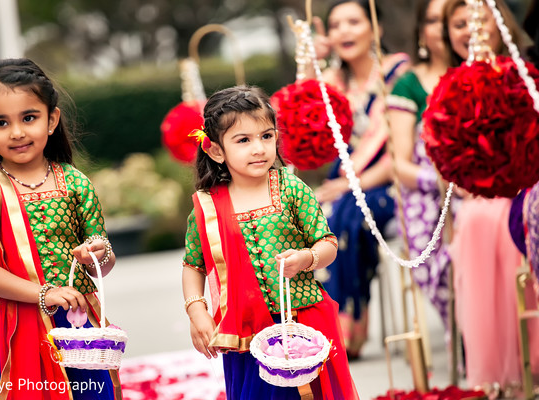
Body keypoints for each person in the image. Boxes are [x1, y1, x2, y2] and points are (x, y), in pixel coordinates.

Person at [181, 85, 359, 400]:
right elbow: (194, 265)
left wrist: (307, 258)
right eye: (243, 140)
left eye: (266, 136)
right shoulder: (208, 207)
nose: (259, 148)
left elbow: (327, 243)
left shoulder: (292, 188)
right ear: (216, 150)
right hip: (247, 335)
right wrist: (197, 313)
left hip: (305, 323)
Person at [0, 58, 121, 400]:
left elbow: (102, 262)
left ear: (52, 120)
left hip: (76, 323)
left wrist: (96, 254)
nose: (17, 132)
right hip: (16, 327)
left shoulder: (75, 182)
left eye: (29, 117)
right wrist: (43, 294)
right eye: (1, 122)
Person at [440, 0, 539, 393]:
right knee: (478, 218)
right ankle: (498, 370)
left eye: (478, 21)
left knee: (507, 217)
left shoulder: (523, 73)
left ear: (500, 25)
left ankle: (530, 353)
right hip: (477, 192)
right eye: (460, 23)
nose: (470, 30)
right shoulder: (450, 83)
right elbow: (443, 154)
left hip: (526, 182)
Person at [311, 0, 410, 359]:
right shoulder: (331, 82)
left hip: (388, 184)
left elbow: (400, 152)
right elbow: (301, 119)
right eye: (336, 25)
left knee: (351, 212)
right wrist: (309, 60)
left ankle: (346, 327)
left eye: (353, 21)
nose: (344, 32)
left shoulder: (398, 73)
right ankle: (320, 327)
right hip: (341, 185)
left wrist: (352, 185)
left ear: (376, 29)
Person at [387, 0, 454, 332]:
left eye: (448, 20)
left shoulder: (484, 73)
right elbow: (400, 164)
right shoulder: (408, 85)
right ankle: (461, 326)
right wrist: (443, 184)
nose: (440, 29)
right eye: (431, 21)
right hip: (429, 191)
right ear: (420, 31)